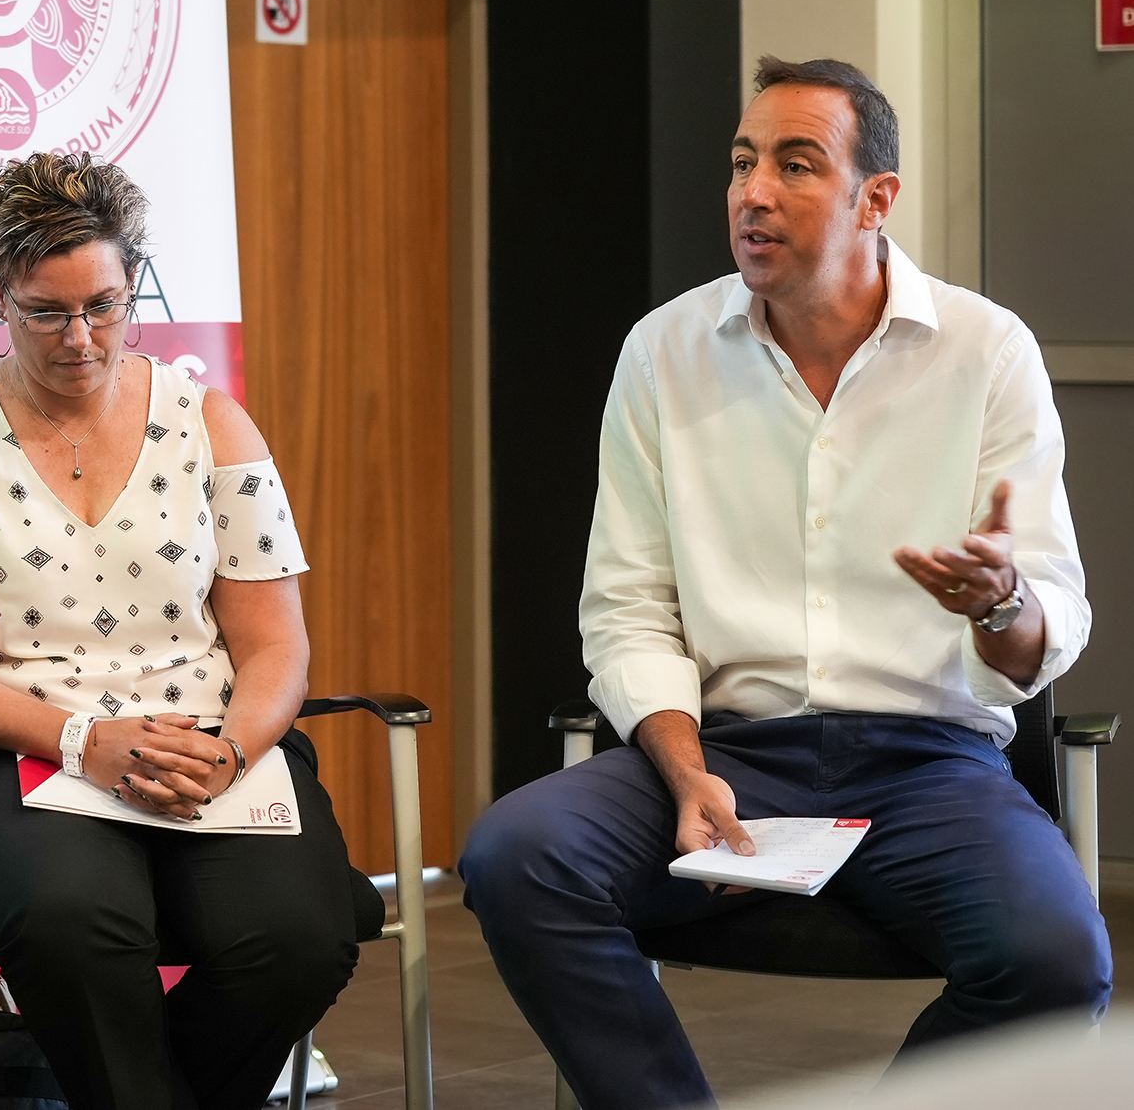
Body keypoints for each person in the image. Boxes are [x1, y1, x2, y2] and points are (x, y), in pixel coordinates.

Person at [460, 57, 1111, 1109]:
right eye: (741, 162)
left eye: (795, 165)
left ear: (875, 199)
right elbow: (627, 609)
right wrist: (684, 771)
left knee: (1056, 961)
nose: (751, 192)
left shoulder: (986, 351)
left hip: (926, 764)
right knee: (515, 854)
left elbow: (1047, 620)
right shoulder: (664, 351)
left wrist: (1000, 602)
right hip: (726, 749)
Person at [0, 152, 383, 1110]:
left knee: (304, 936)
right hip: (25, 754)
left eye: (103, 305)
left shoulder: (214, 423)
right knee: (74, 923)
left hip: (205, 744)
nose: (80, 337)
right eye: (45, 312)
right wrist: (81, 740)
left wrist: (231, 750)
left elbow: (277, 646)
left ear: (132, 283)